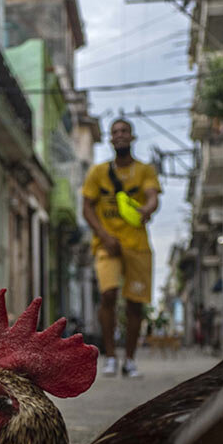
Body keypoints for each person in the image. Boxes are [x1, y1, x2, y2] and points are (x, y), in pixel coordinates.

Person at [81, 117, 160, 379]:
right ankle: (111, 357)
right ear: (110, 138)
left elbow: (152, 198)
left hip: (137, 244)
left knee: (135, 304)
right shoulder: (98, 173)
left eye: (125, 131)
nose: (120, 135)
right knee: (108, 294)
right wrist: (104, 235)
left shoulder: (145, 170)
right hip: (107, 245)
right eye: (115, 131)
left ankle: (130, 359)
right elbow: (87, 207)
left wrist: (146, 210)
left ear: (132, 137)